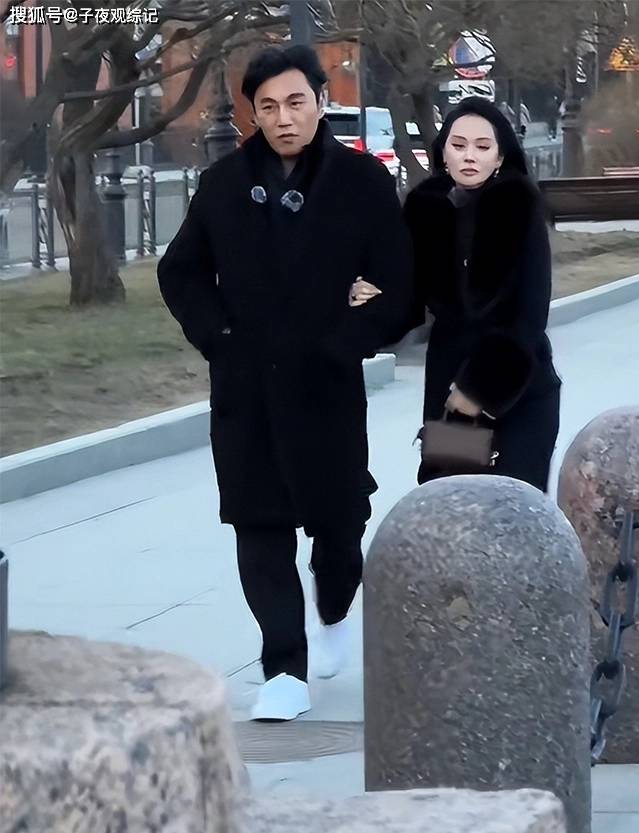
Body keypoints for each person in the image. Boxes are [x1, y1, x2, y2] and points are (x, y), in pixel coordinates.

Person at [158, 46, 413, 722]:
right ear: (254, 113)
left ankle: (334, 610)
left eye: (296, 102)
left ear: (321, 101)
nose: (283, 117)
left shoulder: (361, 181)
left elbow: (400, 283)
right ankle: (283, 668)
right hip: (246, 388)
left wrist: (350, 339)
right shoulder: (223, 184)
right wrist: (219, 336)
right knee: (258, 523)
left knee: (339, 525)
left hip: (326, 385)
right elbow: (179, 270)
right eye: (267, 106)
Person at [354, 97, 561, 492]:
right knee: (451, 504)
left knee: (513, 507)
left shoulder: (519, 207)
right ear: (443, 152)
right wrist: (370, 297)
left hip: (518, 388)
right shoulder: (424, 209)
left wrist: (479, 389)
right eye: (459, 144)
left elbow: (529, 314)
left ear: (500, 157)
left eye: (483, 146)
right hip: (450, 386)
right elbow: (407, 300)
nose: (469, 156)